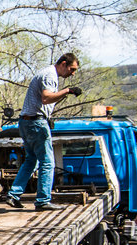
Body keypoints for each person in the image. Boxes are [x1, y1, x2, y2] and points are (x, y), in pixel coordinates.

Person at [5, 53, 82, 211]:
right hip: (36, 122)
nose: (72, 73)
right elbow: (46, 98)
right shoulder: (50, 75)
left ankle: (14, 194)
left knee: (31, 160)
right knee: (47, 162)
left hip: (26, 122)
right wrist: (67, 91)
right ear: (63, 63)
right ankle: (42, 201)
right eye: (72, 69)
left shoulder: (47, 73)